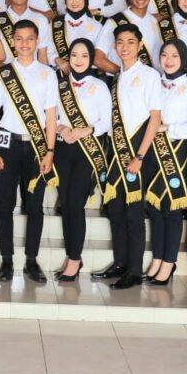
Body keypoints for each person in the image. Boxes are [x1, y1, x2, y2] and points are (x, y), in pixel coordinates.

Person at [0, 19, 58, 284]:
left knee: (35, 206)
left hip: (36, 147)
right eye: (19, 38)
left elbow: (50, 116)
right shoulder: (3, 73)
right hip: (7, 145)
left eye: (30, 38)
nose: (24, 43)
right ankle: (6, 260)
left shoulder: (47, 73)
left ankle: (31, 260)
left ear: (37, 41)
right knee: (5, 205)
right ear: (13, 41)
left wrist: (49, 151)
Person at [93, 24, 162, 289]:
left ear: (140, 45)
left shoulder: (149, 75)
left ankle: (134, 271)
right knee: (116, 210)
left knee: (133, 213)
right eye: (120, 42)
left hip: (137, 153)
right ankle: (120, 263)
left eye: (130, 42)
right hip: (116, 152)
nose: (125, 47)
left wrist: (140, 156)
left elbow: (154, 118)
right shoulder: (117, 77)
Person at [143, 39, 187, 286]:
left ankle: (169, 262)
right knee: (154, 209)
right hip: (151, 152)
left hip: (175, 153)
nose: (168, 60)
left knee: (171, 210)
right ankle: (157, 258)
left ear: (184, 59)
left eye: (175, 56)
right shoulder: (152, 82)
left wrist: (169, 129)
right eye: (165, 55)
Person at [53, 38, 111, 282]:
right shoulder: (59, 84)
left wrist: (86, 130)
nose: (78, 60)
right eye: (74, 55)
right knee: (65, 204)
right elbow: (50, 114)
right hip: (62, 148)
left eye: (84, 55)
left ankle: (75, 259)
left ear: (91, 60)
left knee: (75, 205)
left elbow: (106, 121)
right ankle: (72, 255)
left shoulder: (99, 86)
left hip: (86, 151)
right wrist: (61, 128)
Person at [99, 0, 163, 75]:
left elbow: (156, 57)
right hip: (119, 79)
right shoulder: (114, 22)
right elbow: (98, 58)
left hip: (147, 80)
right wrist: (126, 75)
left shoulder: (153, 22)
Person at [44, 0, 106, 73]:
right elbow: (46, 51)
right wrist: (56, 59)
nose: (74, 1)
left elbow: (100, 56)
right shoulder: (54, 24)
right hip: (60, 75)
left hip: (89, 76)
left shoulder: (96, 26)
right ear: (65, 0)